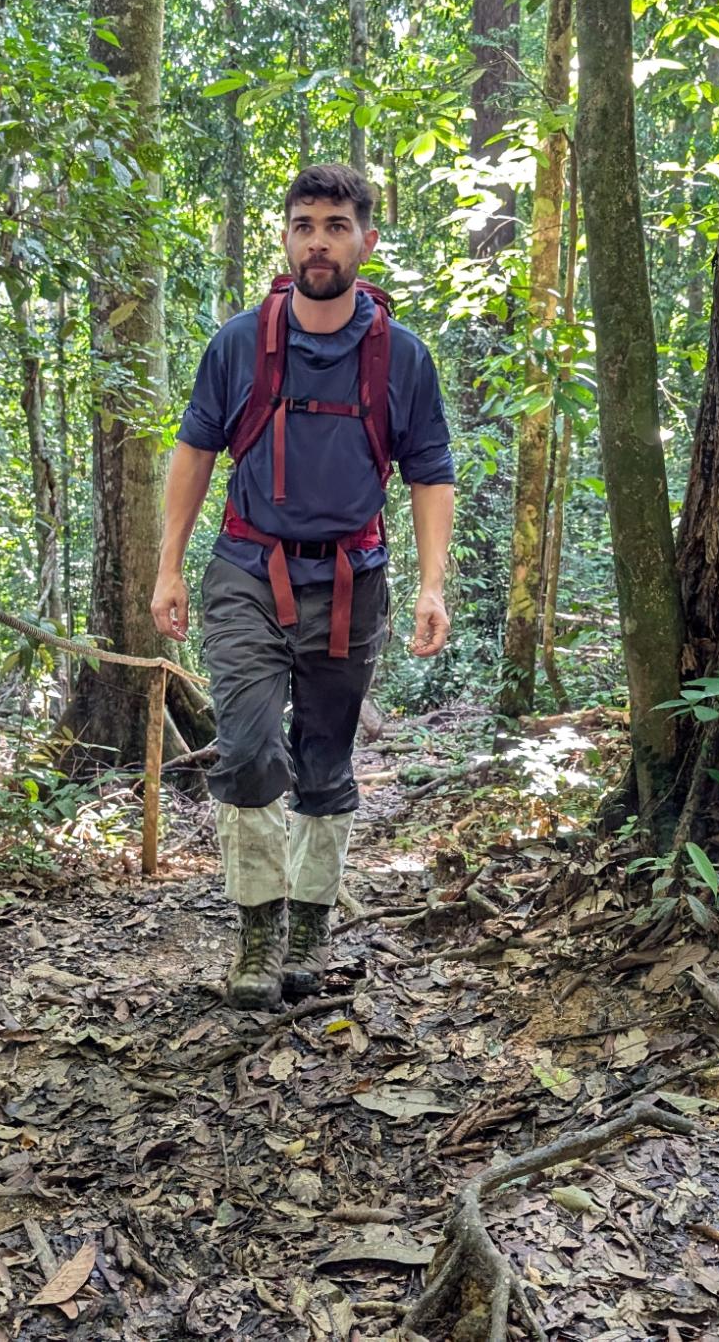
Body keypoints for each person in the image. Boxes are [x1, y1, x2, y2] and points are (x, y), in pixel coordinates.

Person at [151, 163, 456, 1010]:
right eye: (303, 225)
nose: (317, 240)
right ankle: (257, 931)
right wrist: (169, 565)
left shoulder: (402, 357)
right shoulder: (240, 342)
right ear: (285, 239)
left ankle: (311, 927)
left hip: (354, 580)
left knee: (326, 759)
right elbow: (196, 451)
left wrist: (431, 586)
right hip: (248, 568)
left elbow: (431, 475)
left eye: (334, 225)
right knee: (248, 749)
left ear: (366, 238)